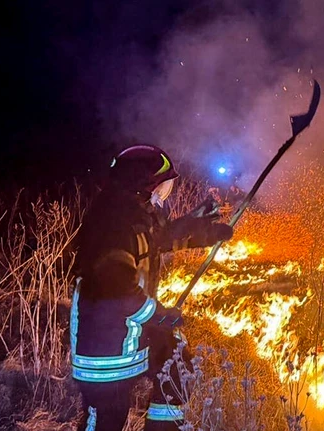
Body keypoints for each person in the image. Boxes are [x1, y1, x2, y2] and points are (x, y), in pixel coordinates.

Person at [70, 144, 233, 430]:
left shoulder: (133, 214)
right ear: (144, 185)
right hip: (105, 348)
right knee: (108, 417)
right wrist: (157, 314)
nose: (164, 194)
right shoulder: (112, 223)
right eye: (163, 187)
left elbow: (160, 238)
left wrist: (205, 233)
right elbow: (116, 287)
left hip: (132, 331)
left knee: (176, 366)